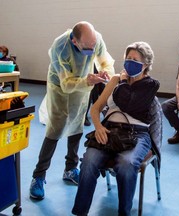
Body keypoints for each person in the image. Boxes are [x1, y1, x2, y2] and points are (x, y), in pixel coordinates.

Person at [29, 21, 115, 200]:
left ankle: (70, 168)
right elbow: (66, 84)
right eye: (87, 47)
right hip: (60, 86)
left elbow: (105, 59)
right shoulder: (60, 47)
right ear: (75, 41)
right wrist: (88, 81)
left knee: (77, 123)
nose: (91, 51)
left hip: (83, 83)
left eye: (93, 46)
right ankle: (38, 176)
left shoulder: (94, 39)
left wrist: (105, 72)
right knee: (56, 128)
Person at [72, 41, 160, 216]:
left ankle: (124, 213)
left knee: (126, 164)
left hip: (138, 134)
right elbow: (95, 108)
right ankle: (80, 212)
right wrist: (98, 127)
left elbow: (130, 104)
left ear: (146, 65)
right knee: (89, 161)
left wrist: (125, 81)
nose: (129, 62)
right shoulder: (114, 80)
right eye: (128, 58)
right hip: (110, 131)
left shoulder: (150, 85)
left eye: (135, 60)